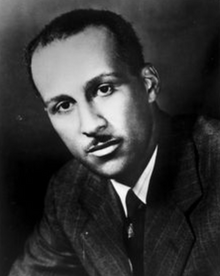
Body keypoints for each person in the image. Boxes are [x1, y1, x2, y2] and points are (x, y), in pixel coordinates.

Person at [9, 9, 220, 276]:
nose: (90, 125)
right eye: (63, 105)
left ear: (149, 84)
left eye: (104, 89)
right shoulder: (69, 190)